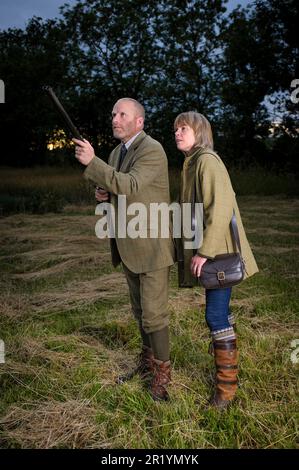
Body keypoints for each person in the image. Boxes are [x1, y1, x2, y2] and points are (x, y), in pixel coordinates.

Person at [73, 98, 174, 401]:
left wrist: (92, 162)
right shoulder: (118, 152)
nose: (114, 118)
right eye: (113, 113)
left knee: (154, 316)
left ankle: (162, 378)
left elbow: (129, 185)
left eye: (122, 114)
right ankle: (146, 365)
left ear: (139, 121)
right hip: (128, 243)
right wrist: (102, 193)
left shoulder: (152, 149)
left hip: (152, 246)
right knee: (140, 311)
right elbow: (117, 187)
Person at [174, 111, 258, 409]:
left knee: (215, 316)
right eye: (176, 129)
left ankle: (226, 390)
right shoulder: (192, 162)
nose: (178, 132)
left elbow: (220, 209)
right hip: (214, 251)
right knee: (219, 312)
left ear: (200, 132)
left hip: (218, 253)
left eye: (184, 128)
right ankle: (229, 378)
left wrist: (204, 252)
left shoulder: (207, 161)